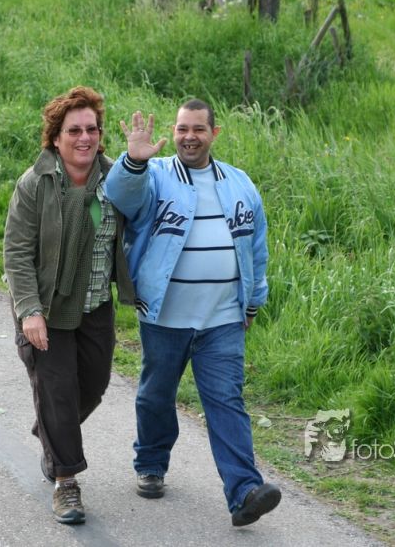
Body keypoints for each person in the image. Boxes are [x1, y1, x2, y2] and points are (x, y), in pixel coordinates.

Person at [103, 99, 280, 526]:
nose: (189, 137)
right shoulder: (155, 175)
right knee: (156, 395)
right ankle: (150, 462)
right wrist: (133, 161)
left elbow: (255, 248)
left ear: (214, 133)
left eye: (198, 129)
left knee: (227, 400)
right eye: (182, 129)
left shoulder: (239, 183)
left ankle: (244, 491)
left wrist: (253, 301)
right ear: (174, 131)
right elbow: (120, 197)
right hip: (165, 316)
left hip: (223, 318)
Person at [3, 86, 134, 525]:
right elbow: (17, 252)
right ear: (55, 138)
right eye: (74, 130)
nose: (85, 138)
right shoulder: (35, 183)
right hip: (48, 308)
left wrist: (139, 160)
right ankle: (66, 481)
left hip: (95, 304)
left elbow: (143, 209)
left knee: (93, 386)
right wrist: (29, 311)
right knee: (57, 392)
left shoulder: (115, 179)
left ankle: (51, 431)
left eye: (91, 129)